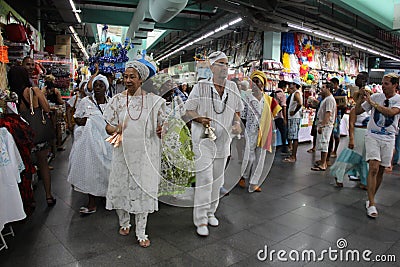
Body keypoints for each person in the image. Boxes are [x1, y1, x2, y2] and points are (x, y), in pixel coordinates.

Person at [103, 61, 165, 247]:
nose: (127, 80)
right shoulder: (117, 100)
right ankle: (124, 222)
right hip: (123, 153)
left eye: (132, 77)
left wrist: (163, 129)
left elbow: (163, 126)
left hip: (146, 155)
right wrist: (115, 128)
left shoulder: (155, 101)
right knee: (121, 186)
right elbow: (107, 126)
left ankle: (141, 231)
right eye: (125, 76)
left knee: (142, 189)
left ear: (142, 79)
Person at [185, 51, 243, 237]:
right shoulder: (201, 87)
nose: (224, 67)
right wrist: (200, 119)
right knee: (205, 179)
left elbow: (237, 111)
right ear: (211, 67)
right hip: (203, 141)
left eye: (226, 64)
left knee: (218, 179)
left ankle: (211, 212)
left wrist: (236, 124)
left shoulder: (233, 87)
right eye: (220, 64)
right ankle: (200, 219)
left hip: (224, 141)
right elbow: (189, 110)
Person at [8, 66, 56, 207]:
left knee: (26, 166)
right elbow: (46, 109)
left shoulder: (12, 95)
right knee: (43, 164)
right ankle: (48, 196)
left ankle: (29, 200)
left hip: (22, 135)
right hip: (38, 133)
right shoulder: (34, 91)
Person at [355, 73, 400, 218]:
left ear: (394, 85)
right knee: (373, 166)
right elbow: (357, 111)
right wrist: (361, 98)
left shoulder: (398, 100)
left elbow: (390, 113)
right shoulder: (375, 97)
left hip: (388, 137)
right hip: (373, 135)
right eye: (382, 82)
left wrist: (373, 103)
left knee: (381, 170)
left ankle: (370, 198)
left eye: (386, 83)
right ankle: (372, 203)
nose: (383, 86)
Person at [67, 75, 112, 214]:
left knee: (107, 170)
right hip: (91, 143)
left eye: (101, 85)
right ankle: (92, 202)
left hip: (107, 142)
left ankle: (106, 196)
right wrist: (89, 121)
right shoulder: (86, 101)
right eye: (96, 85)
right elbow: (77, 119)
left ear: (106, 88)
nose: (97, 88)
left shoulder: (110, 102)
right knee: (91, 170)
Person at [239, 70, 281, 192]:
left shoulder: (268, 100)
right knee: (249, 157)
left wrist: (272, 133)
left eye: (259, 82)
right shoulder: (246, 98)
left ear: (263, 84)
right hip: (249, 132)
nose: (256, 84)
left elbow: (275, 116)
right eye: (254, 81)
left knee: (260, 158)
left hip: (263, 133)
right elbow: (242, 116)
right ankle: (243, 176)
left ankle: (254, 182)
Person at [311, 82, 336, 171]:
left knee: (324, 143)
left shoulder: (329, 99)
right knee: (322, 143)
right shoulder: (326, 99)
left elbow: (328, 113)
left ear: (328, 89)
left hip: (325, 125)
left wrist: (323, 125)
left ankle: (323, 163)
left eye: (323, 87)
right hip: (324, 124)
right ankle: (323, 161)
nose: (321, 89)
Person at [283, 78, 303, 163]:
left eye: (291, 84)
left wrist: (294, 112)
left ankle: (293, 156)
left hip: (294, 117)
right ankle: (292, 155)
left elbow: (300, 103)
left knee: (294, 137)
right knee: (293, 136)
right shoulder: (295, 93)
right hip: (294, 117)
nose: (290, 85)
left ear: (295, 85)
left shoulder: (296, 93)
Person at [329, 77, 347, 158]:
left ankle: (335, 150)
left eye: (332, 84)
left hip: (338, 114)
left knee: (336, 133)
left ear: (336, 84)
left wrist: (336, 106)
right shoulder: (331, 92)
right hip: (332, 114)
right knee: (331, 133)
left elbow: (344, 104)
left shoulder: (342, 92)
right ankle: (330, 150)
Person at [273, 80, 289, 154]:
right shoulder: (282, 94)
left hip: (273, 116)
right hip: (280, 116)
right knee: (283, 132)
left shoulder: (273, 93)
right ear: (284, 87)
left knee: (272, 132)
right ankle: (284, 148)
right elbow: (284, 107)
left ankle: (270, 146)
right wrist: (285, 118)